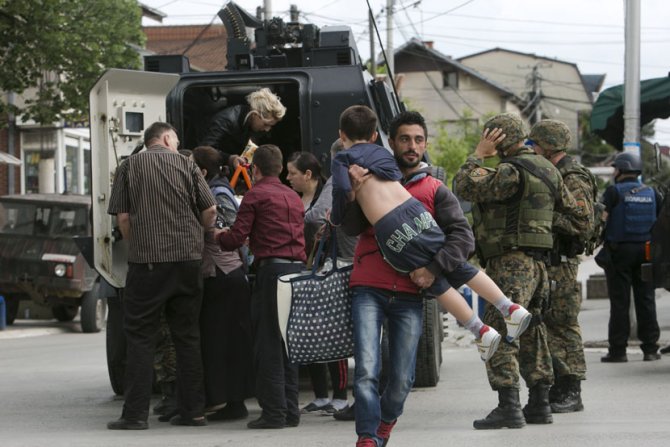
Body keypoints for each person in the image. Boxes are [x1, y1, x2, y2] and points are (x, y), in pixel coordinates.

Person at [334, 108, 523, 447]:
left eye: (418, 140)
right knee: (365, 371)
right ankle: (366, 437)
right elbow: (348, 227)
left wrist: (432, 269)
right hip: (369, 287)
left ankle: (385, 424)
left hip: (411, 292)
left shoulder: (435, 187)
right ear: (388, 141)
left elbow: (463, 239)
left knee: (403, 380)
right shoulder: (365, 172)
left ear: (425, 144)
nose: (411, 145)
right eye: (404, 139)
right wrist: (350, 194)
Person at [453, 113, 589, 430]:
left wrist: (478, 154)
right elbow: (574, 211)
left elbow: (463, 186)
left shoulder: (510, 172)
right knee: (532, 329)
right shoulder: (550, 171)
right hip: (541, 266)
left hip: (510, 264)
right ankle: (540, 403)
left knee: (499, 329)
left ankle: (508, 406)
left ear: (498, 139)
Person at [106, 122, 217, 430]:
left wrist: (137, 245)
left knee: (141, 337)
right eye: (176, 139)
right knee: (187, 337)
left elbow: (123, 216)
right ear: (167, 138)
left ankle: (135, 415)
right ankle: (193, 411)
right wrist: (196, 234)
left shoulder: (129, 166)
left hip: (148, 264)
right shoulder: (187, 163)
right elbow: (210, 210)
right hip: (188, 262)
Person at [213, 144, 306, 429]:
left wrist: (218, 235)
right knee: (288, 344)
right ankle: (291, 411)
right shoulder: (293, 196)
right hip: (296, 272)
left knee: (267, 344)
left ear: (255, 169)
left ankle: (274, 413)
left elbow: (236, 237)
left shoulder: (255, 195)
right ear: (279, 169)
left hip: (271, 272)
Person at [528, 120, 596, 413]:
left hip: (562, 263)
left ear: (546, 146)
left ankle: (572, 390)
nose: (532, 149)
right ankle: (558, 388)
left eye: (535, 144)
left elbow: (583, 224)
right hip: (550, 262)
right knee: (549, 325)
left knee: (564, 325)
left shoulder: (572, 176)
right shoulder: (555, 172)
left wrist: (543, 216)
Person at [191, 146, 255, 421]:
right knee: (222, 340)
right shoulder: (211, 191)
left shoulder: (217, 194)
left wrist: (210, 231)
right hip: (221, 273)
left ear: (202, 172)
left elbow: (233, 227)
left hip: (225, 273)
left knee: (225, 340)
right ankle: (228, 401)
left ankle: (231, 402)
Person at [286, 151, 350, 416]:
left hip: (327, 269)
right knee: (309, 332)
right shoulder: (294, 199)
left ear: (308, 175)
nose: (288, 178)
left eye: (292, 173)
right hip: (306, 270)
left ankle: (341, 395)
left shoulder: (326, 196)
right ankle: (321, 395)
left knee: (333, 333)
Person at [600, 151, 662, 363]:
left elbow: (602, 219)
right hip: (646, 252)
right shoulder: (653, 193)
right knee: (646, 300)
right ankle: (651, 349)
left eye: (615, 168)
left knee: (620, 302)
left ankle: (618, 351)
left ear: (622, 169)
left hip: (620, 253)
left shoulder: (613, 192)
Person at [200, 88, 286, 169]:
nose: (267, 129)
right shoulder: (226, 120)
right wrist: (229, 158)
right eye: (265, 124)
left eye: (271, 126)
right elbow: (205, 150)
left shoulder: (256, 127)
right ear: (254, 115)